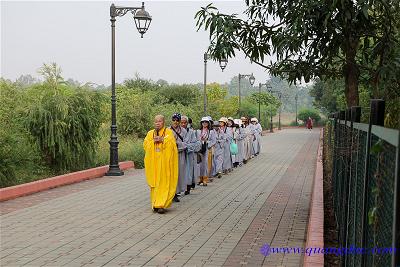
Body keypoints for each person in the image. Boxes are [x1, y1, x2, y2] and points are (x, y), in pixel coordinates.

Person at [143, 115, 178, 214]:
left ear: (163, 122)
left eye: (160, 121)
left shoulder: (168, 132)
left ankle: (161, 205)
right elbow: (145, 145)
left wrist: (163, 140)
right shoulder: (150, 133)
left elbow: (172, 144)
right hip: (154, 165)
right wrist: (153, 141)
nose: (157, 123)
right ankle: (155, 203)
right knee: (154, 185)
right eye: (156, 122)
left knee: (163, 184)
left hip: (164, 165)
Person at [169, 113, 188, 202]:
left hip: (180, 155)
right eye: (174, 120)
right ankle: (170, 193)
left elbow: (186, 143)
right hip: (170, 155)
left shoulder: (184, 131)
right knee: (170, 173)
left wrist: (177, 145)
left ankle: (176, 193)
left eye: (177, 120)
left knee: (179, 173)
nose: (175, 122)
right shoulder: (167, 130)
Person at [181, 116, 201, 195]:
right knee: (180, 171)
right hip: (179, 154)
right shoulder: (176, 131)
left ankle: (188, 187)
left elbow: (195, 143)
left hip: (189, 155)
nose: (183, 124)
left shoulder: (191, 132)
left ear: (187, 123)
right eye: (181, 122)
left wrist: (186, 147)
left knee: (188, 171)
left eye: (185, 122)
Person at [197, 117, 216, 186]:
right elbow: (196, 140)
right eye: (203, 122)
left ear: (208, 123)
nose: (204, 123)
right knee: (199, 164)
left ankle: (205, 178)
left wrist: (207, 142)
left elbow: (214, 141)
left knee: (205, 164)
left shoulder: (211, 131)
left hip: (207, 149)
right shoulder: (198, 131)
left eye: (206, 122)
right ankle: (200, 178)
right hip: (199, 149)